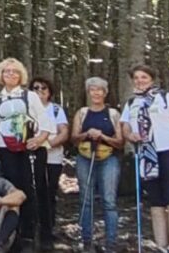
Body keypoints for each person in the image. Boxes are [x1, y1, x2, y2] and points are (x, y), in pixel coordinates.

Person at [120, 64, 169, 253]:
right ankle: (161, 246)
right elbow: (125, 127)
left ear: (152, 79)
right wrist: (130, 136)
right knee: (156, 201)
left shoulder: (165, 98)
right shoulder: (131, 103)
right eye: (136, 78)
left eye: (144, 77)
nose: (139, 81)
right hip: (146, 156)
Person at [0, 57, 55, 252]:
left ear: (21, 75)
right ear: (1, 75)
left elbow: (45, 122)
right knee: (13, 190)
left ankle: (41, 234)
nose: (10, 74)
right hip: (6, 149)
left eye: (15, 71)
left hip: (32, 147)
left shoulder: (31, 96)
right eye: (6, 71)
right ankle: (16, 233)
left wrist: (38, 140)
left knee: (35, 190)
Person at [71, 76, 123, 253]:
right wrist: (87, 134)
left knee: (109, 201)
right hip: (85, 158)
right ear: (88, 92)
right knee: (86, 199)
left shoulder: (113, 114)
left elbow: (120, 142)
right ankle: (87, 242)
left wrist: (103, 137)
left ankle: (111, 243)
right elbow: (73, 138)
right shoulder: (82, 113)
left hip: (109, 159)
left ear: (105, 93)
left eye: (99, 90)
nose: (96, 93)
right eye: (92, 89)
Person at [31, 76, 69, 242]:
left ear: (50, 92)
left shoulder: (55, 110)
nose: (40, 91)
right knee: (34, 192)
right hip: (31, 158)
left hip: (53, 157)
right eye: (36, 88)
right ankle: (33, 228)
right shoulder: (27, 109)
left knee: (49, 192)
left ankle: (49, 229)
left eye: (43, 88)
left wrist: (46, 144)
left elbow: (64, 132)